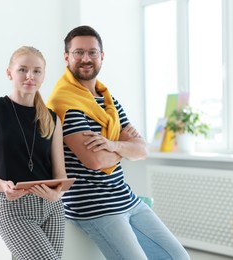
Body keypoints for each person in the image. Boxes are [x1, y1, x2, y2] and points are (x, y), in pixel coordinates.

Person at [47, 25, 190, 260]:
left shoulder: (108, 101)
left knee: (179, 257)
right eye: (78, 52)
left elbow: (142, 150)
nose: (86, 58)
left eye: (92, 52)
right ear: (66, 57)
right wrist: (124, 147)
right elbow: (95, 160)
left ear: (102, 56)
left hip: (126, 198)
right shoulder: (66, 104)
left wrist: (112, 145)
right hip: (95, 207)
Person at [0, 46, 67, 260]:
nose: (30, 76)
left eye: (37, 71)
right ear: (9, 73)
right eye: (23, 69)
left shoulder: (52, 118)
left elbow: (60, 174)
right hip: (13, 207)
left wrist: (57, 193)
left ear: (43, 76)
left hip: (52, 208)